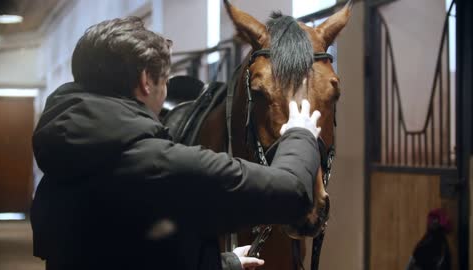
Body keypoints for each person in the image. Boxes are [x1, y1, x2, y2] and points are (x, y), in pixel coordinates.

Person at [31, 17, 322, 270]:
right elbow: (290, 192)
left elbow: (127, 254)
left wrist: (224, 263)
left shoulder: (61, 156)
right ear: (147, 81)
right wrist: (301, 133)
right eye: (165, 79)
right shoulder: (159, 163)